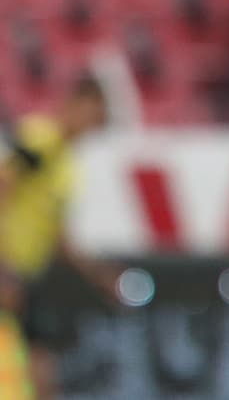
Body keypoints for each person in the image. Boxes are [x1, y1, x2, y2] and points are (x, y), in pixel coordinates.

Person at [0, 75, 118, 400]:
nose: (92, 127)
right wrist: (3, 267)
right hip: (9, 271)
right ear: (73, 104)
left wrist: (98, 276)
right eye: (92, 116)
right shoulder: (40, 139)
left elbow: (58, 237)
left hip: (26, 275)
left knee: (39, 366)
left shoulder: (68, 168)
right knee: (32, 364)